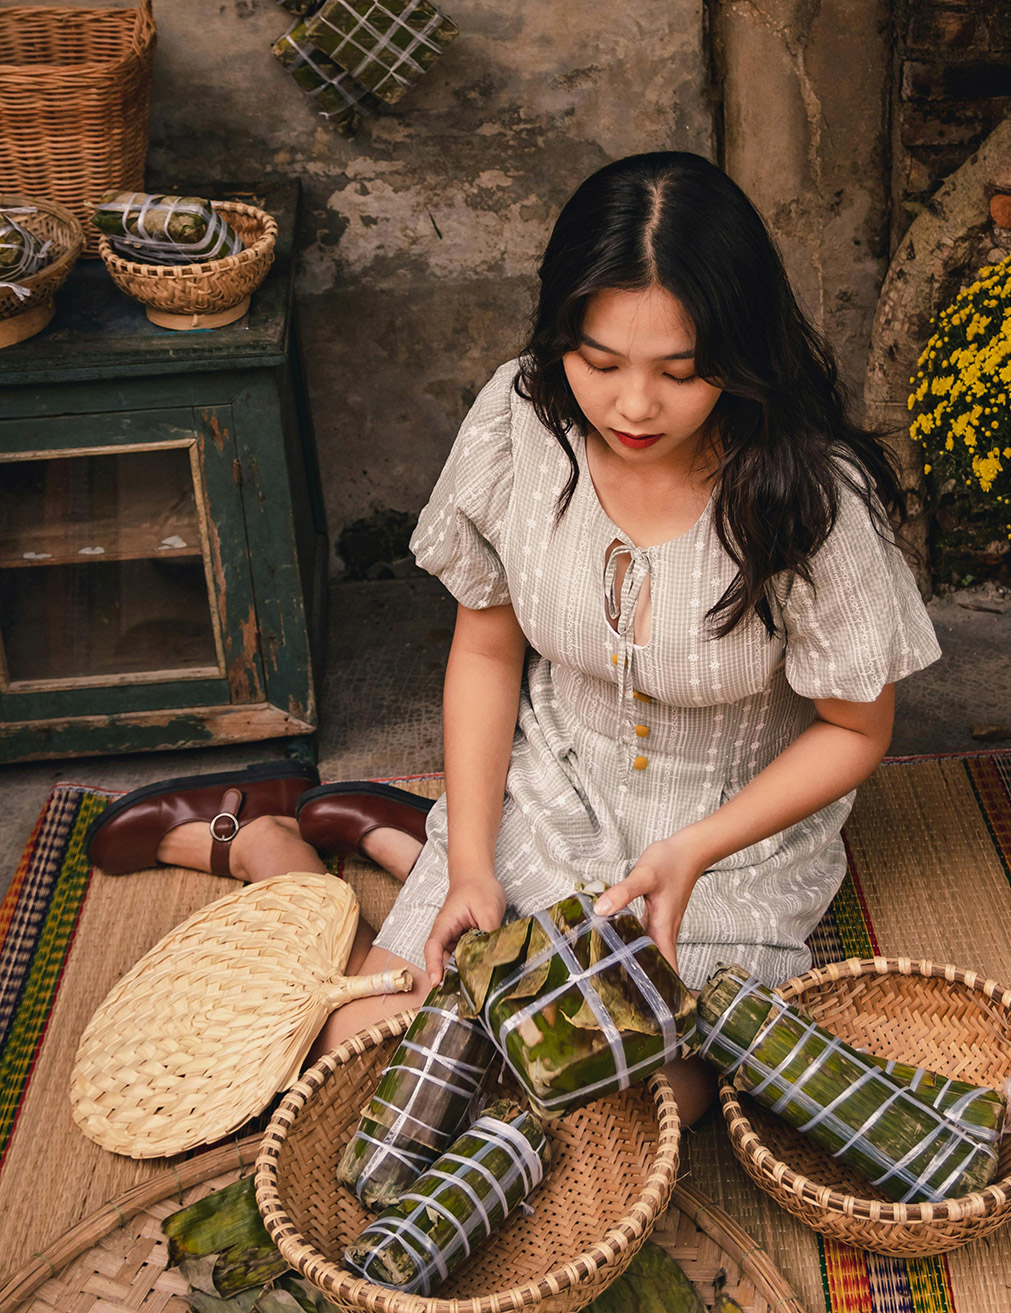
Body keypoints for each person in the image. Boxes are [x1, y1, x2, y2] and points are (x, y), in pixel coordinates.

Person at [87, 151, 940, 1125]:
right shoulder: (520, 419)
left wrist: (693, 849)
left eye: (679, 371)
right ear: (558, 332)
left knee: (633, 1100)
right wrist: (475, 865)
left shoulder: (810, 495)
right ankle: (280, 849)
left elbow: (853, 729)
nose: (630, 406)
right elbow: (487, 651)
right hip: (554, 782)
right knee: (356, 1059)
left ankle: (385, 833)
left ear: (737, 354)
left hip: (723, 835)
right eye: (599, 359)